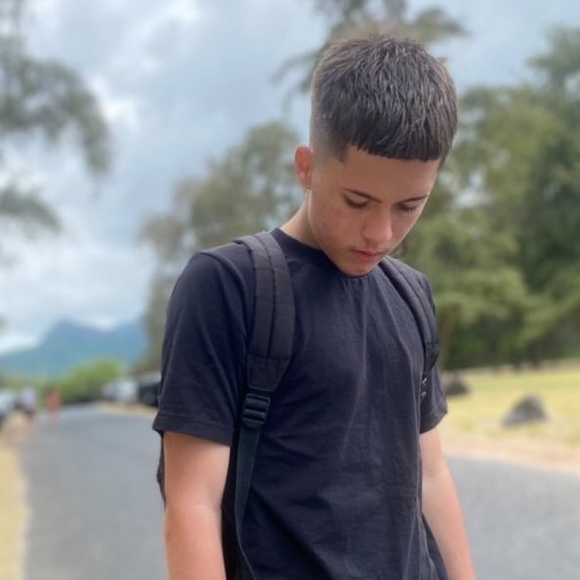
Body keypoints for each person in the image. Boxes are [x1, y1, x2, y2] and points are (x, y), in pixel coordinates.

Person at [153, 34, 477, 580]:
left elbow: (430, 475)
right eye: (358, 201)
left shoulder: (411, 294)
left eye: (409, 206)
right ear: (306, 166)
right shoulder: (229, 287)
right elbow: (192, 505)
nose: (381, 232)